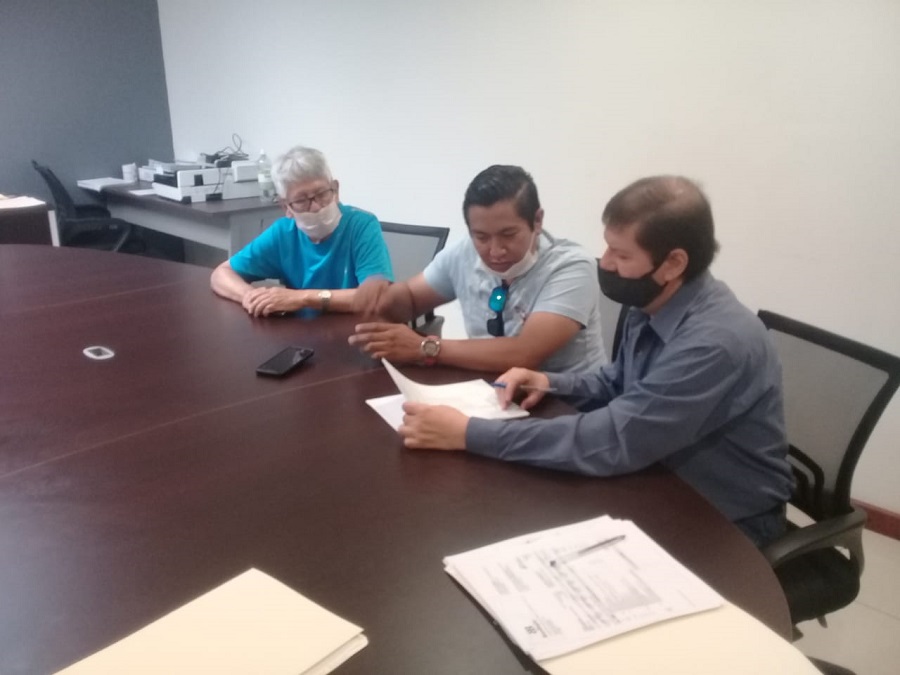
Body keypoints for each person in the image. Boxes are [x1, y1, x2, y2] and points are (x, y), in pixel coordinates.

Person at [396, 175, 793, 547]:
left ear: (673, 263)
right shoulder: (655, 301)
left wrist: (468, 434)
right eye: (607, 247)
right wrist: (549, 382)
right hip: (655, 477)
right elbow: (619, 382)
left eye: (621, 254)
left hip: (723, 519)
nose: (604, 263)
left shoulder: (714, 342)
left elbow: (614, 439)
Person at [349, 165, 607, 373]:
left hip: (568, 406)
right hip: (491, 392)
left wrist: (425, 347)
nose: (495, 251)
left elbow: (525, 354)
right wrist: (382, 295)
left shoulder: (571, 266)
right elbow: (411, 299)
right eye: (481, 236)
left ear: (537, 221)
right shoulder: (464, 253)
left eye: (508, 234)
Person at [210, 146, 393, 316]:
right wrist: (251, 297)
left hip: (355, 329)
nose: (315, 207)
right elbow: (222, 273)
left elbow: (377, 295)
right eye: (301, 201)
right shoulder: (283, 233)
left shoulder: (362, 225)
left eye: (322, 194)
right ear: (286, 207)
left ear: (335, 190)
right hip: (302, 333)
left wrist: (303, 298)